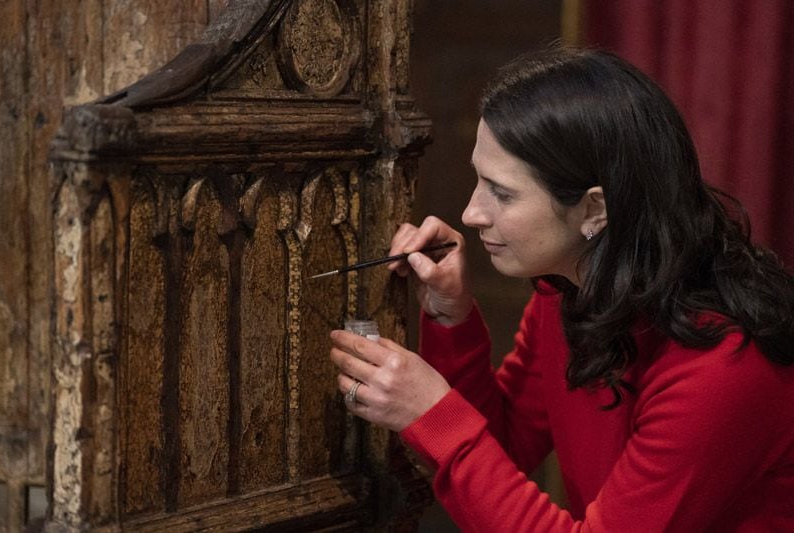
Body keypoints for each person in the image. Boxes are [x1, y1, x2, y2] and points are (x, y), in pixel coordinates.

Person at [328, 46, 794, 531]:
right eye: (478, 181)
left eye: (501, 192)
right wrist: (452, 318)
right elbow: (503, 447)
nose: (471, 213)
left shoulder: (723, 362)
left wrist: (433, 414)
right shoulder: (567, 293)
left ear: (595, 209)